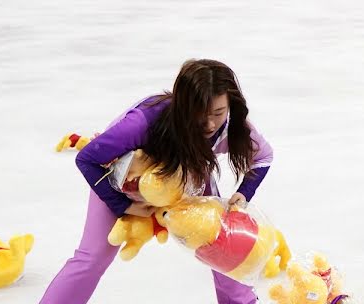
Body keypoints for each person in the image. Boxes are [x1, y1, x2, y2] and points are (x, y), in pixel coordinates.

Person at [38, 59, 272, 304]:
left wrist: (245, 192)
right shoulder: (142, 124)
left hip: (186, 174)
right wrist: (123, 205)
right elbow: (87, 159)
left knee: (222, 237)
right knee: (93, 257)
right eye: (200, 114)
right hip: (122, 179)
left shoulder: (233, 128)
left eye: (218, 112)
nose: (210, 124)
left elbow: (263, 157)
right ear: (182, 105)